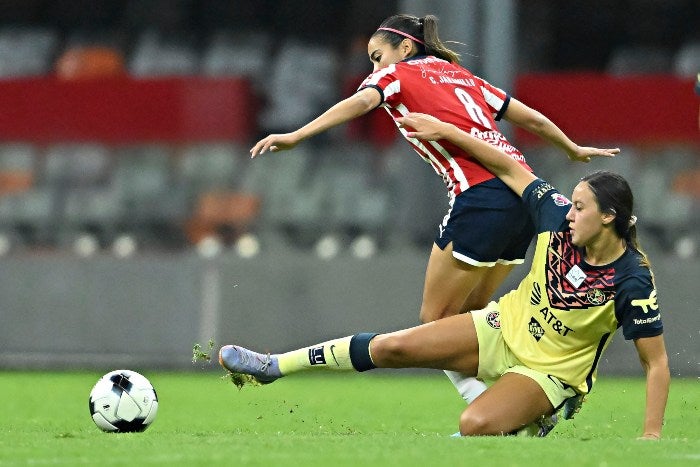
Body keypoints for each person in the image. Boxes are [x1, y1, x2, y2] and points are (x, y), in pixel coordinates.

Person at [223, 112, 669, 438]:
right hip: (499, 328)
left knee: (473, 425)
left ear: (609, 218)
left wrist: (650, 436)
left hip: (549, 372)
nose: (569, 212)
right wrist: (450, 133)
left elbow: (656, 363)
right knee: (394, 346)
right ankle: (274, 366)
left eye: (580, 207)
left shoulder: (632, 279)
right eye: (571, 203)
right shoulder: (555, 218)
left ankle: (542, 414)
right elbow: (508, 167)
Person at [250, 13, 620, 405]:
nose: (374, 68)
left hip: (481, 196)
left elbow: (360, 102)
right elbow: (528, 117)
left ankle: (500, 398)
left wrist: (296, 134)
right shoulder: (460, 76)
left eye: (378, 57)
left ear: (404, 48)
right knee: (472, 320)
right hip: (523, 194)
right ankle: (528, 391)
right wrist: (571, 148)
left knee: (435, 323)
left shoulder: (396, 76)